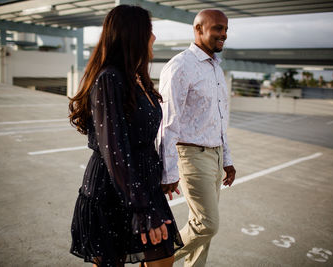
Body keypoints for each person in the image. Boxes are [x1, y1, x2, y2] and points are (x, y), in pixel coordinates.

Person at [68, 5, 183, 267]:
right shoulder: (109, 79)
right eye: (150, 31)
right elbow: (115, 149)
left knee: (164, 259)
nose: (154, 38)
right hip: (111, 191)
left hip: (144, 187)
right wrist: (142, 209)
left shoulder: (137, 78)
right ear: (134, 35)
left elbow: (146, 139)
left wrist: (162, 174)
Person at [157, 9, 236, 267]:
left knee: (200, 227)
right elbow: (168, 122)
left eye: (225, 29)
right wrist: (168, 173)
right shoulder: (180, 66)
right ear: (198, 29)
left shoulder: (216, 69)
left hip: (214, 155)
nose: (223, 34)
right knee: (207, 224)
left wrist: (226, 158)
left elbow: (220, 119)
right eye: (217, 28)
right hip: (191, 155)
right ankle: (156, 261)